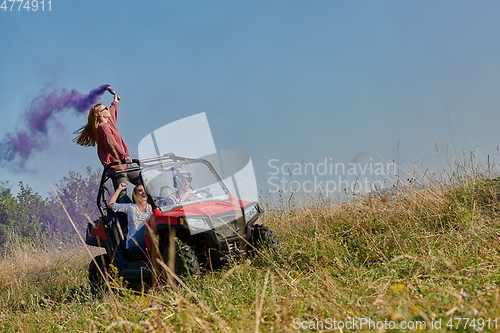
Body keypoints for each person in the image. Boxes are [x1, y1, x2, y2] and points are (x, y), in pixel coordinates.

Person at [73, 91, 139, 190]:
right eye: (105, 109)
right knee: (122, 194)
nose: (108, 109)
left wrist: (115, 102)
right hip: (116, 167)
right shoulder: (102, 127)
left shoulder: (109, 123)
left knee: (145, 183)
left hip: (124, 164)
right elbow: (111, 143)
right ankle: (125, 205)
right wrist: (124, 156)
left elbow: (112, 112)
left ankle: (155, 204)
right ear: (100, 114)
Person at [107, 183, 152, 251]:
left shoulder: (152, 208)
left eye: (145, 190)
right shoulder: (130, 207)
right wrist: (119, 189)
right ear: (135, 194)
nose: (143, 192)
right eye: (140, 190)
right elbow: (111, 205)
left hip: (149, 240)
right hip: (134, 241)